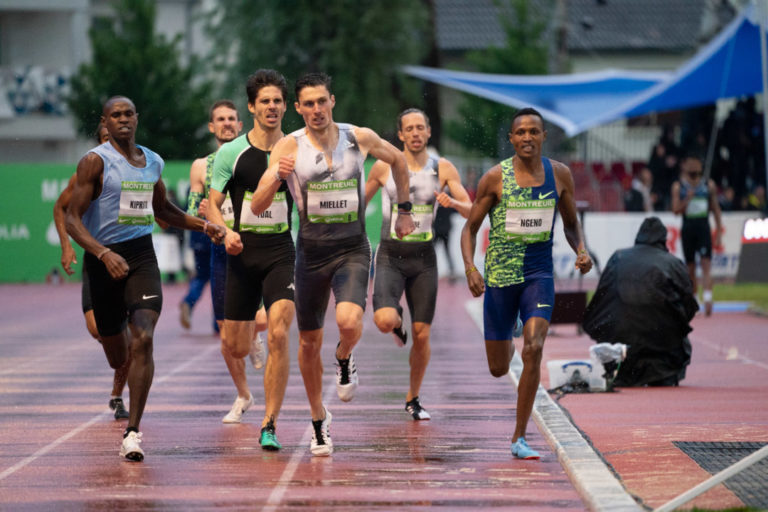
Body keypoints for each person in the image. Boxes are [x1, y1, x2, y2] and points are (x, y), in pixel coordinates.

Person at [252, 72, 414, 456]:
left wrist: (404, 209)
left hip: (353, 247)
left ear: (332, 101)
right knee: (307, 343)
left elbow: (398, 161)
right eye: (307, 104)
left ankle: (344, 356)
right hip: (310, 252)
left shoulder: (359, 137)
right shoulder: (288, 147)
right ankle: (318, 420)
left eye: (321, 101)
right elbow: (257, 206)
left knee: (347, 322)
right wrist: (276, 175)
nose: (316, 110)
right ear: (298, 108)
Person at [65, 96, 226, 462]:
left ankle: (133, 431)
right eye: (115, 115)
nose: (123, 120)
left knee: (145, 338)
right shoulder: (95, 161)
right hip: (103, 260)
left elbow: (162, 210)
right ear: (105, 123)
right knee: (117, 353)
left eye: (128, 114)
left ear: (137, 118)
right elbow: (73, 219)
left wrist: (205, 225)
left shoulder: (152, 161)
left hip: (140, 257)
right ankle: (117, 346)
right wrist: (103, 254)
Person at [460, 107, 592, 460]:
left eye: (534, 131)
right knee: (499, 368)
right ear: (511, 139)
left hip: (538, 273)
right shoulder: (494, 178)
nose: (528, 138)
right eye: (521, 132)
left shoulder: (559, 174)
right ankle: (512, 324)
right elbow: (469, 229)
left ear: (544, 136)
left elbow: (570, 224)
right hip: (501, 279)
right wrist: (471, 268)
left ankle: (519, 437)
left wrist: (581, 249)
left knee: (534, 347)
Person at [365, 108, 471, 420]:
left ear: (427, 133)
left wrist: (455, 203)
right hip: (389, 255)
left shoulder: (444, 168)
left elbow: (472, 210)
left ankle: (413, 397)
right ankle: (397, 322)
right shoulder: (384, 167)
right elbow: (358, 202)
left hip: (424, 259)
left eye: (420, 128)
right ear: (400, 135)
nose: (414, 133)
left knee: (422, 334)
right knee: (384, 319)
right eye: (408, 128)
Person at [207, 70, 294, 451]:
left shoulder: (297, 149)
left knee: (279, 333)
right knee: (236, 346)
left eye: (277, 101)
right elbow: (211, 204)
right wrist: (225, 232)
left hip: (281, 252)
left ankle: (269, 423)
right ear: (251, 107)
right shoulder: (231, 153)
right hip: (241, 253)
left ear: (285, 106)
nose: (272, 107)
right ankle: (249, 339)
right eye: (265, 101)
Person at [53, 122, 130, 421]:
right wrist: (66, 246)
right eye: (105, 139)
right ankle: (121, 356)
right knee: (100, 330)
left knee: (135, 335)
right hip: (97, 260)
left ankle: (118, 395)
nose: (112, 144)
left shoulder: (138, 170)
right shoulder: (85, 174)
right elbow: (61, 208)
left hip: (133, 259)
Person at [582, 217, 698, 387]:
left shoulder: (618, 257)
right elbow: (690, 307)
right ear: (663, 240)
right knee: (683, 337)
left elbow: (600, 300)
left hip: (620, 344)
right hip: (660, 346)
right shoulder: (673, 263)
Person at [180, 100, 243, 334]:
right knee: (223, 324)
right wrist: (202, 213)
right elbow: (192, 210)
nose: (226, 123)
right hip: (220, 247)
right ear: (211, 126)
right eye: (220, 119)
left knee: (257, 318)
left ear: (240, 124)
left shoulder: (256, 158)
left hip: (253, 243)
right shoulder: (200, 166)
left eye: (230, 119)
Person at [671, 154, 722, 316]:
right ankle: (694, 298)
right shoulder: (679, 187)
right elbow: (675, 210)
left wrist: (719, 231)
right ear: (685, 167)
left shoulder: (708, 185)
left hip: (703, 227)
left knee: (706, 263)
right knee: (690, 266)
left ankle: (708, 297)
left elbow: (715, 209)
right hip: (688, 228)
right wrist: (687, 200)